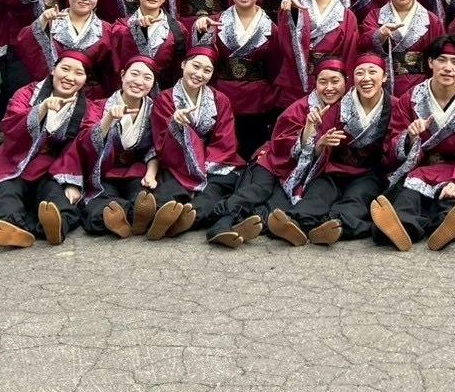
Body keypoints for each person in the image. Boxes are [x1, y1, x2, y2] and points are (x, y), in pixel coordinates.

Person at [205, 58, 348, 248]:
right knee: (258, 190)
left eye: (335, 81)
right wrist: (307, 131)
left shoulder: (347, 111)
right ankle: (222, 223)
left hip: (300, 174)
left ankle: (243, 226)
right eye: (323, 82)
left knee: (278, 205)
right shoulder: (300, 107)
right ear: (315, 83)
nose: (329, 88)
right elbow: (280, 143)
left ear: (346, 82)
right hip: (272, 161)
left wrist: (319, 146)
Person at [370, 34, 455, 252]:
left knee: (453, 200)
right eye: (441, 60)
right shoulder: (411, 98)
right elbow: (391, 143)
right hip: (419, 168)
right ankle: (401, 228)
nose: (448, 68)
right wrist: (410, 137)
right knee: (407, 198)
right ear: (431, 63)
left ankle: (445, 229)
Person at [0, 52, 97, 248]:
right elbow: (10, 127)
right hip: (16, 164)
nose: (70, 77)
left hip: (53, 170)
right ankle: (9, 229)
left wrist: (72, 182)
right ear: (53, 69)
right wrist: (41, 109)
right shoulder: (27, 94)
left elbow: (83, 148)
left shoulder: (88, 109)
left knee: (57, 200)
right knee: (8, 194)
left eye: (78, 73)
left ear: (85, 80)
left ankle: (52, 228)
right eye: (65, 69)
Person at [270, 52, 394, 245]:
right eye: (360, 73)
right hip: (334, 166)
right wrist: (322, 143)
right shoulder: (338, 106)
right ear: (352, 78)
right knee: (318, 194)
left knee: (357, 198)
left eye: (372, 72)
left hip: (368, 172)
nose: (366, 78)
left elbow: (394, 143)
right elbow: (318, 143)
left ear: (384, 76)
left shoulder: (394, 106)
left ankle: (333, 226)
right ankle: (295, 223)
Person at [50, 56, 162, 239]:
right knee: (101, 207)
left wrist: (150, 174)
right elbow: (84, 142)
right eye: (134, 74)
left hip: (135, 171)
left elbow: (155, 147)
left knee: (144, 198)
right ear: (123, 75)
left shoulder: (154, 110)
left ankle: (134, 217)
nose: (139, 81)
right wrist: (109, 119)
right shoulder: (98, 107)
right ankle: (129, 219)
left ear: (153, 84)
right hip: (102, 173)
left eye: (147, 78)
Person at [147, 45, 242, 239]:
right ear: (183, 64)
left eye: (207, 70)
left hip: (211, 163)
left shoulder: (220, 99)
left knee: (213, 191)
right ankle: (167, 216)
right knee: (168, 193)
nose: (199, 74)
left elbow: (225, 139)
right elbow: (160, 141)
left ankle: (186, 218)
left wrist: (203, 168)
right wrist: (174, 124)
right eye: (195, 66)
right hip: (178, 163)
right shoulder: (165, 99)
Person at [197, 0, 280, 158]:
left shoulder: (270, 27)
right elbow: (201, 57)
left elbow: (276, 65)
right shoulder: (215, 21)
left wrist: (271, 96)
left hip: (257, 97)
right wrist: (199, 32)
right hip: (222, 92)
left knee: (252, 149)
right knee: (222, 146)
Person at [276, 0, 360, 105]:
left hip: (331, 82)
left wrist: (345, 86)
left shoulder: (347, 16)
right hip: (299, 79)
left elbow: (349, 55)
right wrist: (290, 13)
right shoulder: (295, 7)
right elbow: (285, 44)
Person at [11, 0, 110, 88]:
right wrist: (42, 20)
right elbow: (25, 45)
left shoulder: (107, 29)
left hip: (89, 91)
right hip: (48, 86)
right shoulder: (50, 21)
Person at [362, 0, 445, 96]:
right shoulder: (375, 16)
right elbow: (364, 44)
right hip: (384, 82)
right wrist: (380, 34)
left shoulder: (431, 20)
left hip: (420, 83)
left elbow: (439, 55)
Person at [107, 0, 186, 93]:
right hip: (130, 88)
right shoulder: (121, 25)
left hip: (163, 90)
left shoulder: (177, 28)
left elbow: (179, 65)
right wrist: (136, 27)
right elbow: (115, 59)